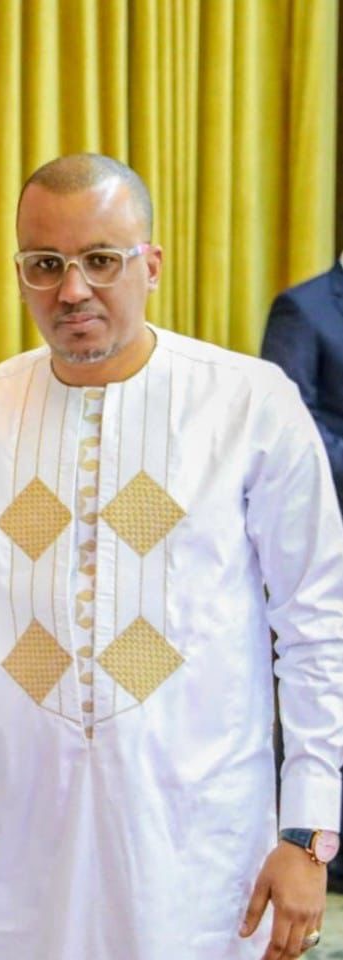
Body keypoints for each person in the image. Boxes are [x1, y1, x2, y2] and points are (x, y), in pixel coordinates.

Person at [0, 154, 343, 959]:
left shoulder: (246, 406)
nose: (71, 290)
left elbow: (316, 625)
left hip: (202, 837)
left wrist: (308, 832)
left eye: (100, 260)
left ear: (151, 265)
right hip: (29, 832)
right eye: (44, 265)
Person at [262, 256, 343, 890]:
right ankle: (318, 850)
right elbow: (297, 430)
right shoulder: (304, 308)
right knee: (320, 675)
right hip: (326, 536)